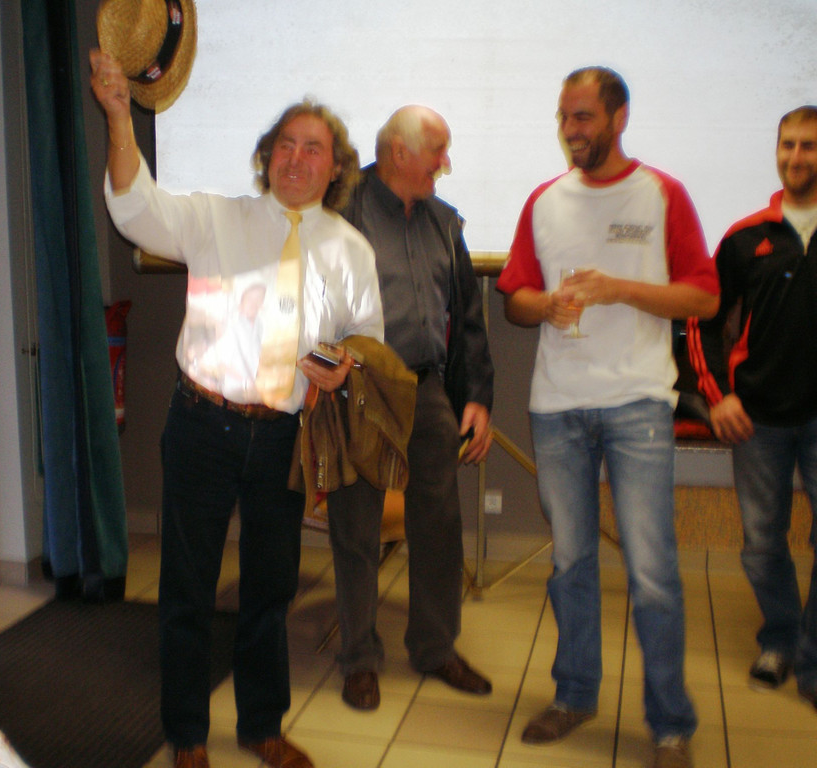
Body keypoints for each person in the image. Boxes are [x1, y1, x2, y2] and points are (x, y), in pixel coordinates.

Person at [89, 50, 384, 768]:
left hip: (283, 437)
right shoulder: (215, 219)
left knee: (269, 590)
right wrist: (120, 116)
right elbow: (134, 207)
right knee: (187, 590)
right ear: (266, 156)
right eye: (285, 144)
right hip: (202, 425)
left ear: (335, 168)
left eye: (313, 148)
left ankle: (261, 726)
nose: (296, 158)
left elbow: (365, 340)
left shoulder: (350, 250)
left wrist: (341, 365)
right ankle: (187, 734)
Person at [496, 66, 719, 768]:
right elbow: (515, 299)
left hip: (638, 402)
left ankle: (670, 725)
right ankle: (574, 695)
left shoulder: (661, 193)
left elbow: (704, 298)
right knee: (570, 563)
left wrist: (618, 288)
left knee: (652, 571)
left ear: (619, 118)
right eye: (564, 117)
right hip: (557, 405)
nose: (571, 130)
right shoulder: (543, 201)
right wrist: (546, 306)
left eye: (584, 117)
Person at [324, 105, 495, 712]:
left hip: (426, 388)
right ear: (399, 152)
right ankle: (359, 658)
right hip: (359, 387)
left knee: (439, 522)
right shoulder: (341, 210)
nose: (445, 163)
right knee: (356, 527)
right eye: (437, 151)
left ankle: (434, 646)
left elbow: (467, 318)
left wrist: (476, 398)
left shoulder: (444, 223)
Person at [687, 105, 817, 711]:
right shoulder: (745, 237)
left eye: (809, 146)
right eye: (788, 144)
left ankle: (813, 657)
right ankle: (781, 639)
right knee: (762, 543)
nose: (796, 156)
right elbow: (700, 322)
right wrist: (720, 397)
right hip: (757, 418)